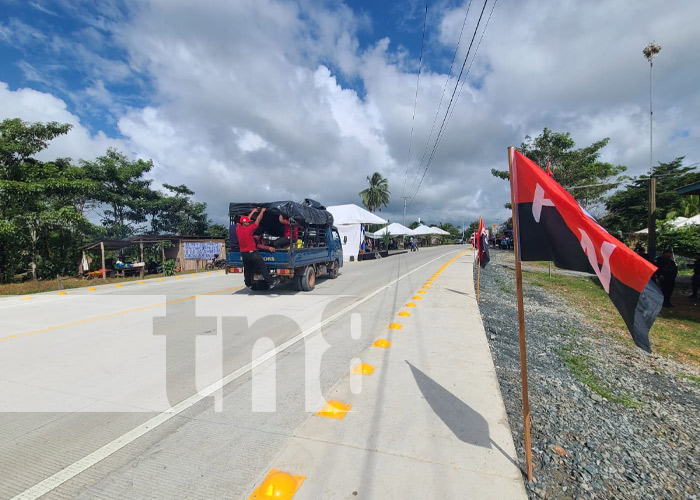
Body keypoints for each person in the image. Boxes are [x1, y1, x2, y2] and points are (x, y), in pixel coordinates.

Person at [236, 207, 279, 290]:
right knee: (262, 267)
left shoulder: (238, 229)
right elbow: (258, 220)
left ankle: (248, 283)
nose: (249, 222)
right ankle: (270, 283)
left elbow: (245, 220)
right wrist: (262, 211)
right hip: (252, 253)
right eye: (248, 222)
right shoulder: (250, 229)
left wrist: (252, 211)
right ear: (246, 224)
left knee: (247, 269)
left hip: (244, 253)